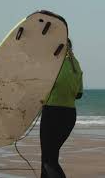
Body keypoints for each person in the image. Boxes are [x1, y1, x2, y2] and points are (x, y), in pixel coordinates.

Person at [40, 33, 83, 178]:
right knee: (51, 156)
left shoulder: (53, 65)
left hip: (52, 113)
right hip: (69, 116)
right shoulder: (76, 65)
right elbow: (79, 94)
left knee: (48, 160)